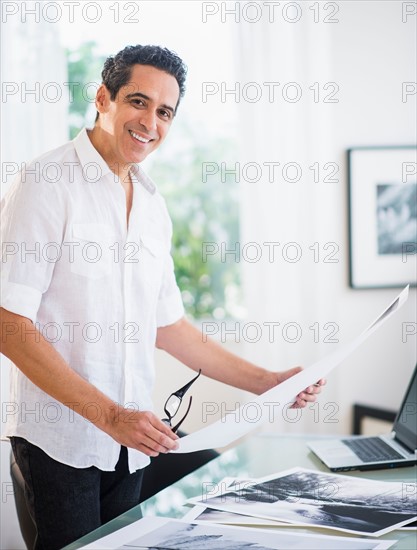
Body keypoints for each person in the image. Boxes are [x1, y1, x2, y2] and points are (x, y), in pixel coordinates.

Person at [0, 45, 325, 549]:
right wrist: (110, 416)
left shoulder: (153, 206)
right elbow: (8, 322)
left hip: (131, 442)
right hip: (60, 442)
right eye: (138, 101)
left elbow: (168, 326)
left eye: (165, 111)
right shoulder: (47, 183)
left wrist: (268, 382)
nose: (150, 121)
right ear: (103, 99)